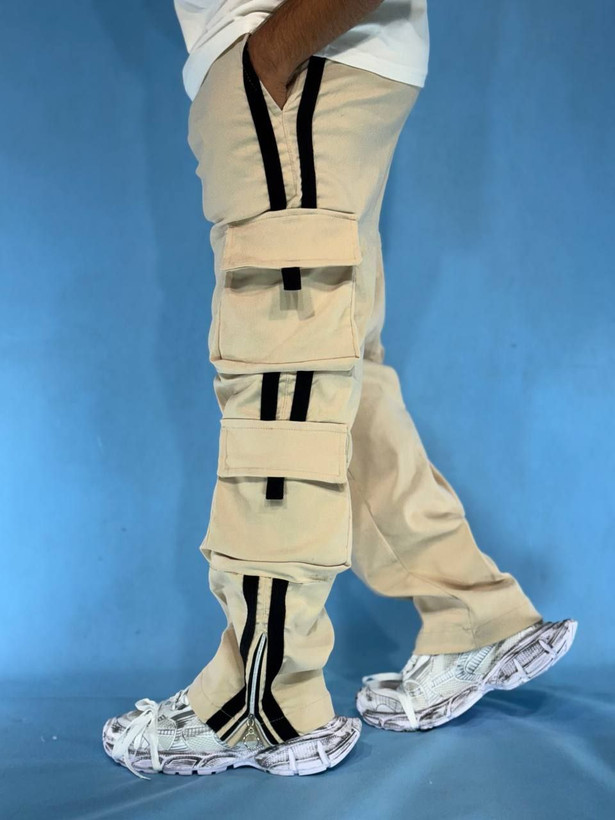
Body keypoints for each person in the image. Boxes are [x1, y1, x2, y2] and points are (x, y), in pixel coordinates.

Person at [102, 0, 576, 778]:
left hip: (295, 65)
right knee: (331, 374)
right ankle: (472, 613)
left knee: (280, 384)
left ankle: (260, 702)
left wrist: (267, 57)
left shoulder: (281, 64)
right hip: (314, 71)